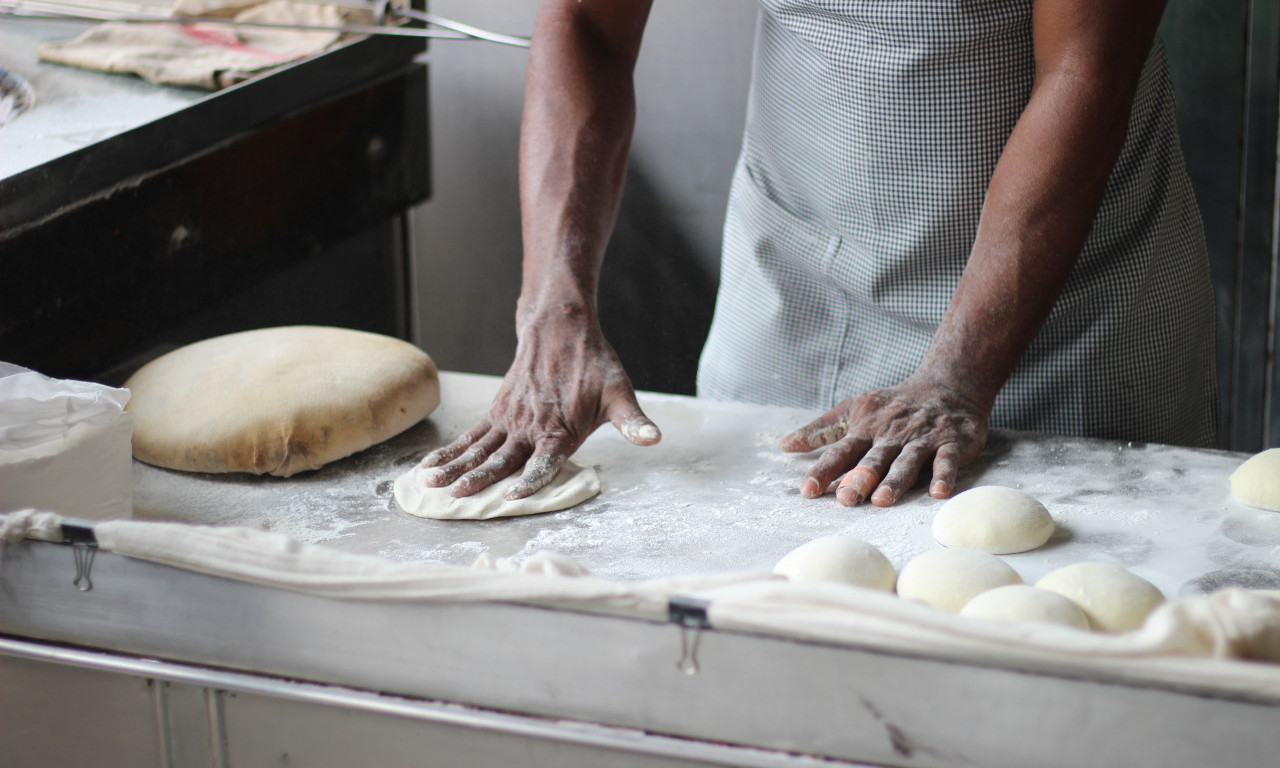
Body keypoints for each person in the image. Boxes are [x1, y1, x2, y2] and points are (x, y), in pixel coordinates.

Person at [421, 0, 1217, 508]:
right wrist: (553, 306)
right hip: (798, 281)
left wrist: (958, 373)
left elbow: (1085, 68)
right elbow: (587, 23)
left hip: (1061, 316)